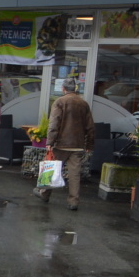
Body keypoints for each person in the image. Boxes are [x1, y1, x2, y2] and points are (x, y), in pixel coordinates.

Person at [35, 78, 96, 210]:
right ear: (75, 89)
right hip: (78, 144)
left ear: (63, 89)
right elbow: (90, 126)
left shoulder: (60, 102)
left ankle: (44, 194)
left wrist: (50, 142)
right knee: (75, 174)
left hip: (61, 144)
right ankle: (73, 202)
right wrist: (89, 145)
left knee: (51, 168)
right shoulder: (84, 104)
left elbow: (54, 123)